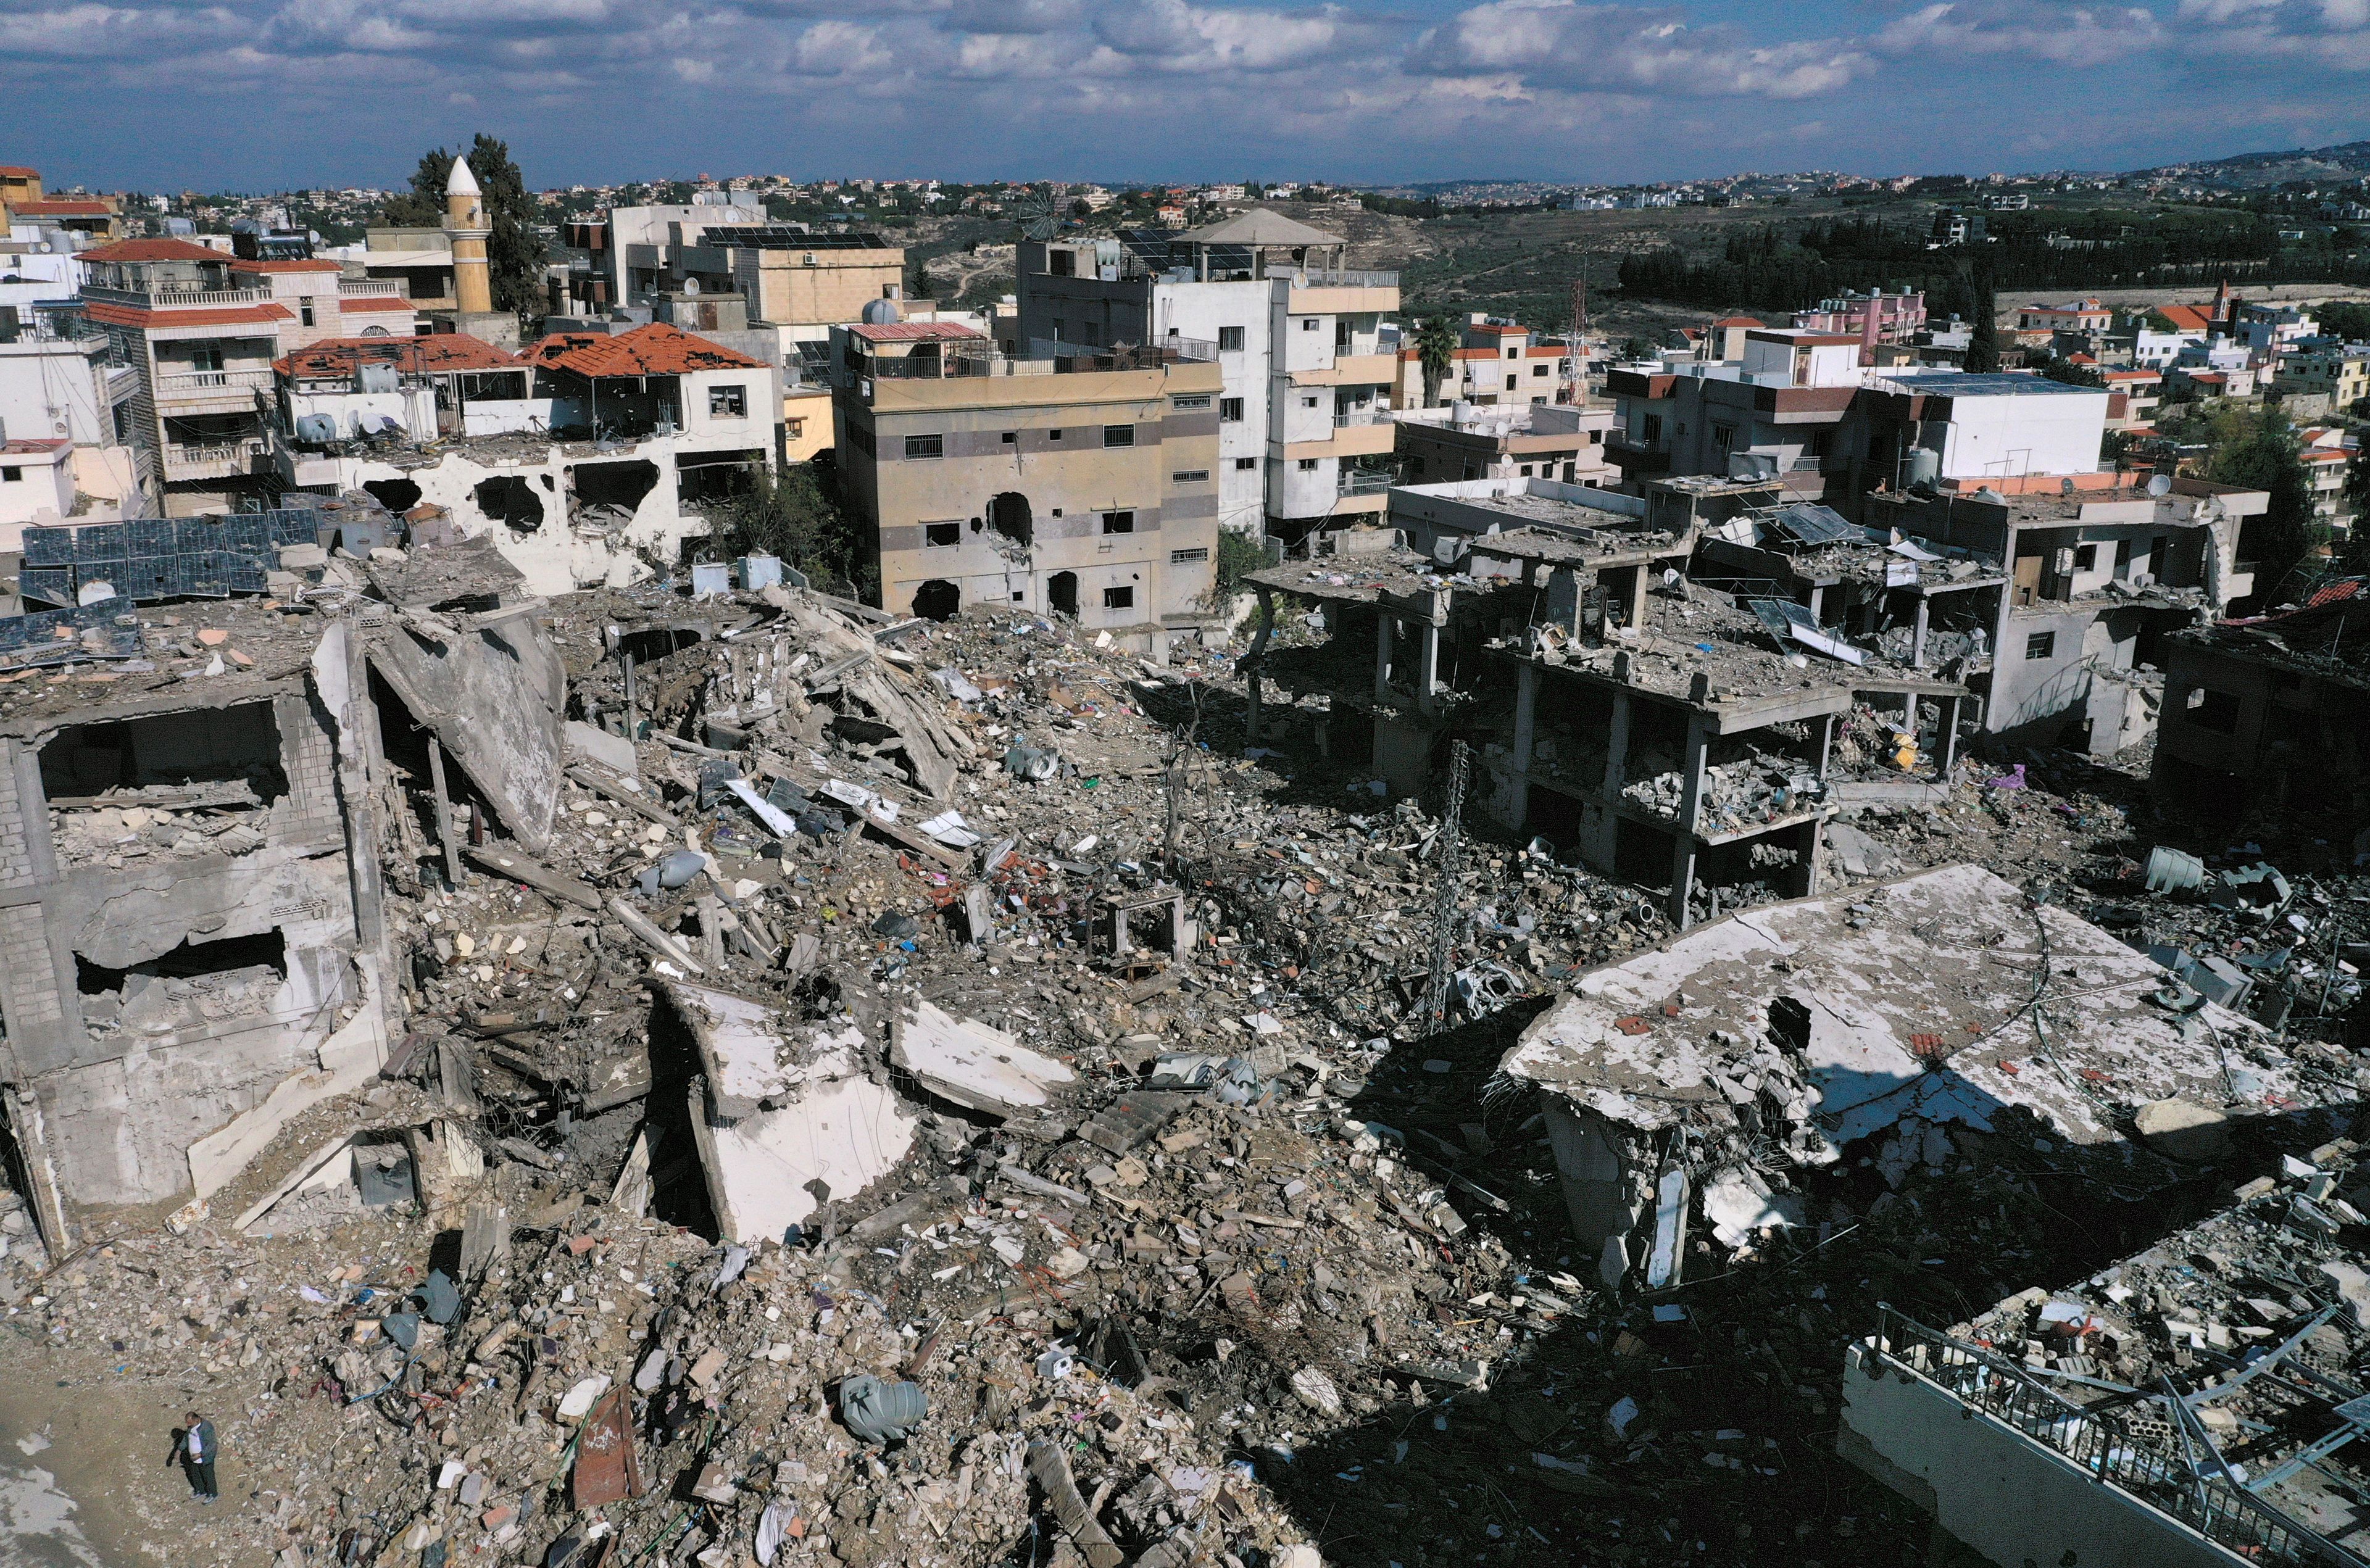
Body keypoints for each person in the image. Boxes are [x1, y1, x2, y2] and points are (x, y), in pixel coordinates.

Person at [181, 1411, 218, 1503]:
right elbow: (187, 1438)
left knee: (208, 1476)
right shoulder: (191, 1427)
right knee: (196, 1474)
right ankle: (200, 1490)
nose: (187, 1425)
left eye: (189, 1422)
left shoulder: (206, 1428)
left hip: (205, 1458)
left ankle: (212, 1494)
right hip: (194, 1458)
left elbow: (212, 1444)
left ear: (197, 1420)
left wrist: (201, 1454)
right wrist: (179, 1449)